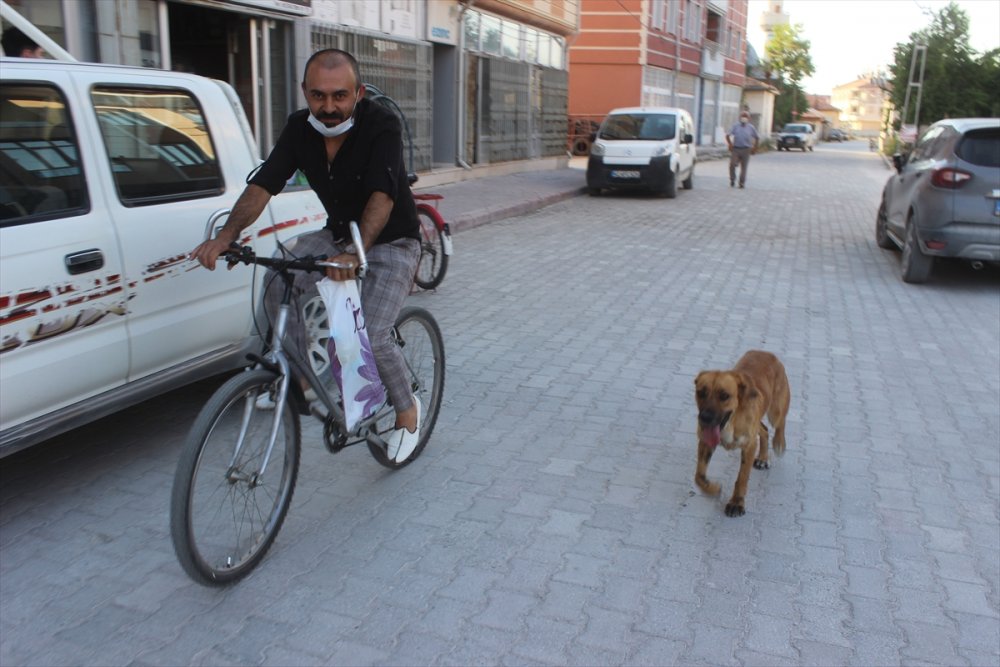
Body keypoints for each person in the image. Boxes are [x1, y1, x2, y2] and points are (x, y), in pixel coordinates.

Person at [189, 49, 423, 463]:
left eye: (339, 96)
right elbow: (264, 185)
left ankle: (407, 414)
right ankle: (302, 383)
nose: (329, 107)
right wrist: (226, 235)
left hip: (391, 242)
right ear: (304, 93)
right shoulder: (300, 129)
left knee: (368, 332)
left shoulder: (381, 125)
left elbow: (382, 196)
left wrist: (356, 252)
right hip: (336, 236)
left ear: (358, 93)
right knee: (278, 281)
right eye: (318, 96)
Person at [726, 110, 759, 189]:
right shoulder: (735, 126)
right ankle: (732, 179)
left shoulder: (751, 128)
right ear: (740, 117)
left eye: (746, 116)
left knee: (744, 167)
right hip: (736, 148)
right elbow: (728, 135)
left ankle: (742, 183)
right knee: (732, 164)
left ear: (749, 118)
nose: (744, 118)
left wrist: (755, 147)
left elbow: (757, 137)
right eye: (743, 116)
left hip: (746, 149)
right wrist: (730, 144)